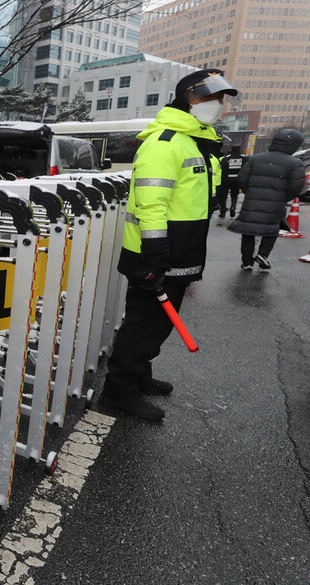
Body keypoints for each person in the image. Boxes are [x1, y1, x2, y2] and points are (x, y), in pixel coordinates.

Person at [101, 69, 237, 422]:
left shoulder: (194, 141)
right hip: (155, 253)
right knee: (143, 323)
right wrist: (156, 255)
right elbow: (151, 204)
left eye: (221, 99)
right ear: (189, 99)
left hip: (177, 250)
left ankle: (138, 376)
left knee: (158, 324)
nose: (219, 106)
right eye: (211, 98)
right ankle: (118, 393)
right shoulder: (166, 142)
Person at [228, 129, 305, 271]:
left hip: (252, 200)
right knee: (272, 228)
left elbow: (242, 179)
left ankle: (247, 261)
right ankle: (263, 254)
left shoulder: (256, 158)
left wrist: (250, 192)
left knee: (248, 229)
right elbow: (297, 186)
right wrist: (283, 197)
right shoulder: (295, 163)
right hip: (276, 203)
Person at [217, 144, 248, 218]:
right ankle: (233, 207)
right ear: (240, 149)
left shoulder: (227, 158)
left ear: (231, 149)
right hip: (237, 179)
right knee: (234, 195)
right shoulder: (244, 158)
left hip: (226, 180)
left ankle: (223, 212)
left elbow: (221, 168)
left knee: (223, 196)